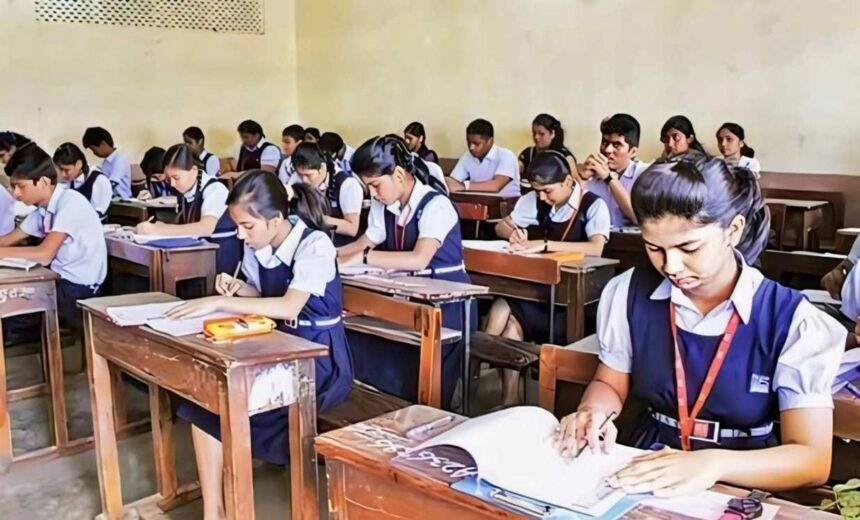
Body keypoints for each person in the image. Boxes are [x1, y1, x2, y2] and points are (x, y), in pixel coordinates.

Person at [554, 158, 844, 496]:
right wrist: (593, 412)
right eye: (654, 248)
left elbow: (812, 459)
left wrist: (712, 464)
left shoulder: (792, 319)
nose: (671, 267)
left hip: (742, 483)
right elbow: (609, 382)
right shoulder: (629, 292)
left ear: (733, 230)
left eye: (689, 247)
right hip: (647, 465)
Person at [164, 172, 352, 519]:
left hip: (319, 361)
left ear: (276, 220)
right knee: (203, 403)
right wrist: (238, 289)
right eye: (238, 226)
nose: (241, 235)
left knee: (234, 402)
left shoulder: (314, 244)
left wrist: (219, 302)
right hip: (278, 347)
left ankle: (239, 499)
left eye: (247, 226)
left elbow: (289, 306)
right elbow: (261, 293)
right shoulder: (258, 245)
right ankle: (213, 511)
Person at [339, 135, 475, 407]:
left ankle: (420, 411)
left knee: (414, 369)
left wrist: (363, 258)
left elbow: (418, 259)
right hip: (406, 300)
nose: (373, 194)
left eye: (375, 185)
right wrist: (330, 255)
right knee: (358, 337)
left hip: (445, 306)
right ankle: (379, 408)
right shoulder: (385, 206)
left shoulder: (436, 205)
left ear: (399, 174)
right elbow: (364, 242)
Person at [486, 150, 610, 403]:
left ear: (567, 182)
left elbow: (596, 248)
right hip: (540, 293)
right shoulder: (535, 200)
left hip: (572, 303)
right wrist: (513, 233)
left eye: (547, 191)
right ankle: (509, 398)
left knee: (505, 311)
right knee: (507, 317)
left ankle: (480, 364)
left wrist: (544, 245)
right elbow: (500, 226)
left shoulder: (593, 205)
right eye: (537, 191)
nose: (541, 197)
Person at [0, 144, 106, 334]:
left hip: (77, 291)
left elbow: (44, 254)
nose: (16, 193)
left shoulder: (70, 202)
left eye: (20, 186)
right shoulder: (42, 210)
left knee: (8, 313)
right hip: (58, 283)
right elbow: (6, 240)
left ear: (43, 182)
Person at [135, 144, 242, 274]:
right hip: (198, 259)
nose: (172, 184)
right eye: (168, 179)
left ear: (194, 170)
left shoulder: (215, 189)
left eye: (176, 178)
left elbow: (206, 228)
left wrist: (160, 230)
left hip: (220, 262)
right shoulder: (188, 191)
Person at [580, 114, 649, 228]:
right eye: (605, 142)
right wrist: (582, 179)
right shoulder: (593, 172)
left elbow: (639, 219)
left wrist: (609, 178)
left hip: (628, 239)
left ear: (633, 152)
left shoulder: (645, 174)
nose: (607, 150)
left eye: (616, 145)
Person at [290, 142, 364, 246]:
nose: (304, 180)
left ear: (323, 167)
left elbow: (352, 228)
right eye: (300, 174)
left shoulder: (347, 184)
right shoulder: (298, 178)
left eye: (308, 175)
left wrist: (316, 218)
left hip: (339, 247)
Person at [446, 119, 520, 197]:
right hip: (476, 201)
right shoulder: (468, 156)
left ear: (490, 141)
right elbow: (454, 182)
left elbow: (495, 186)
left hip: (506, 203)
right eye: (469, 142)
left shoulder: (506, 155)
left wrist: (464, 186)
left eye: (476, 143)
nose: (471, 147)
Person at [52, 142, 112, 220]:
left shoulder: (100, 180)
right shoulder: (69, 180)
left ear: (79, 164)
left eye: (66, 170)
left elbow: (97, 214)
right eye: (60, 169)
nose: (63, 174)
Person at [82, 126, 132, 198]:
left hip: (123, 200)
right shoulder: (107, 162)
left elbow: (112, 183)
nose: (94, 153)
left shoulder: (119, 160)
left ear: (103, 144)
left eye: (93, 150)